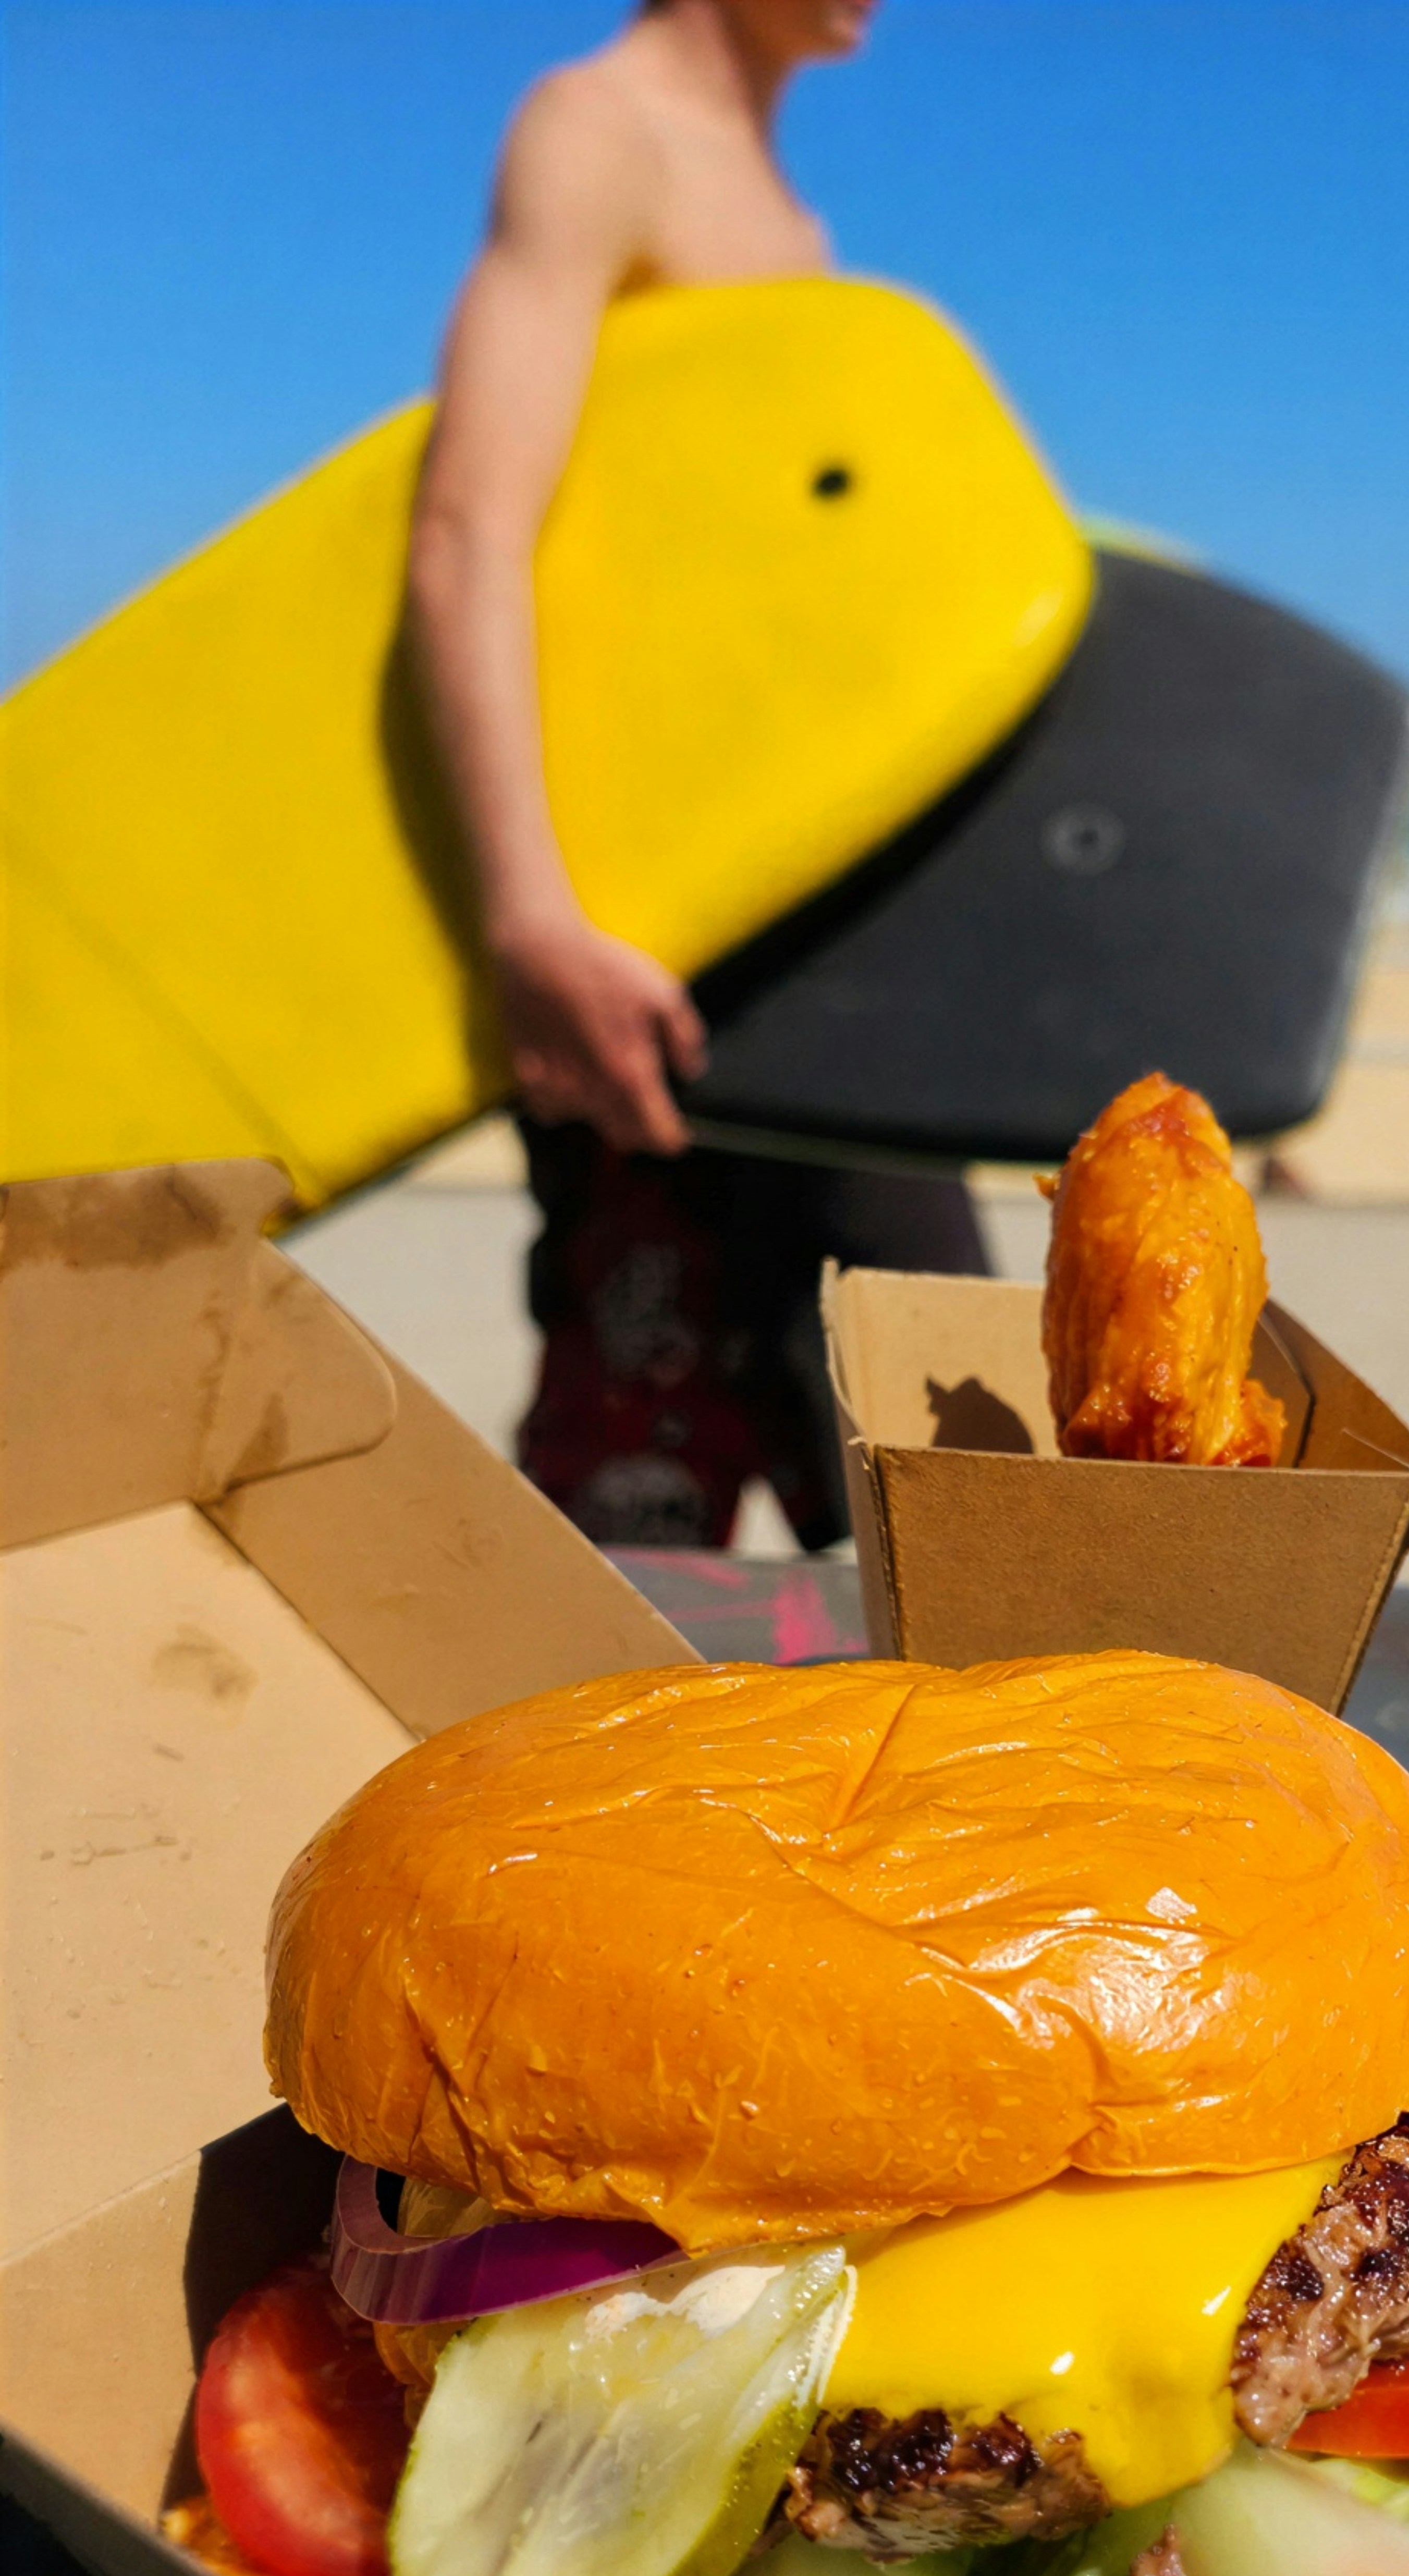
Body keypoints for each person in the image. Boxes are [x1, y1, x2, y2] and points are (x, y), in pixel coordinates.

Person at [406, 0, 989, 1551]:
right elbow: (471, 532)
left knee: (917, 1439)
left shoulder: (777, 198)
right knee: (667, 1444)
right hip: (643, 927)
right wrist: (530, 920)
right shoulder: (595, 131)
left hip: (800, 903)